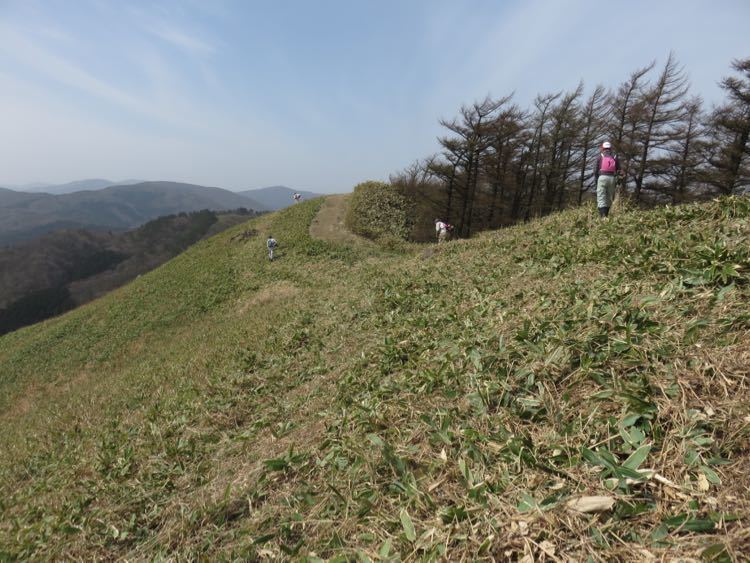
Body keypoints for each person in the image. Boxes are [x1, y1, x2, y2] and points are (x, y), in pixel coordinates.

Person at [593, 141, 621, 218]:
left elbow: (595, 170)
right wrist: (618, 181)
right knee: (609, 197)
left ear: (602, 148)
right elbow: (619, 170)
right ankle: (606, 215)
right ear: (610, 148)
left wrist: (596, 180)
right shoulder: (615, 157)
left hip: (602, 178)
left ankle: (603, 216)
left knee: (601, 197)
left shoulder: (600, 157)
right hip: (612, 178)